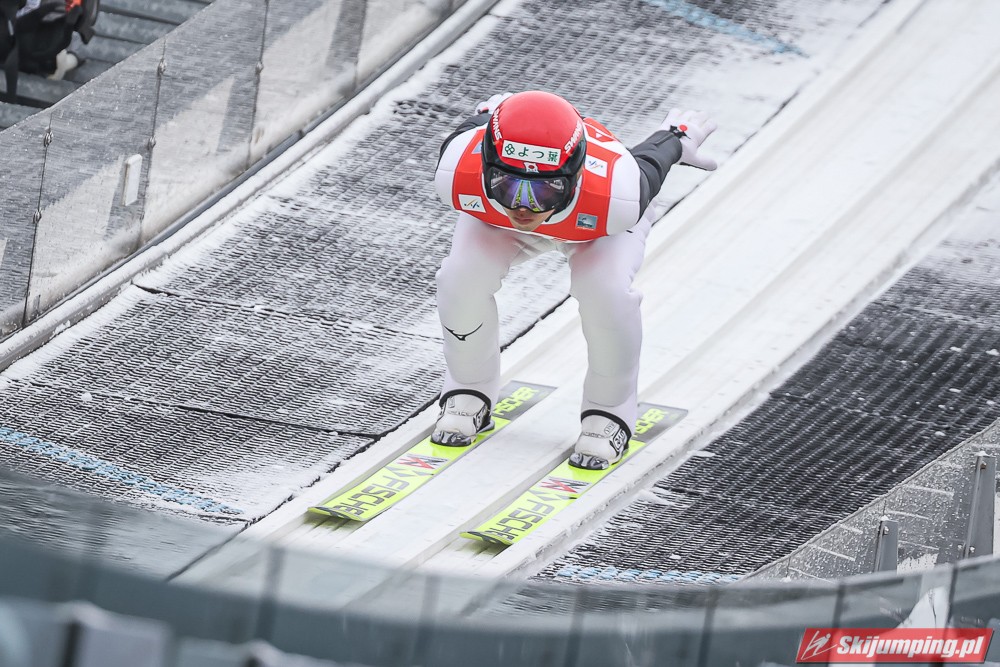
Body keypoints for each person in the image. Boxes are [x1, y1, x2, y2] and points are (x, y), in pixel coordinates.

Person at [431, 90, 718, 470]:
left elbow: (651, 159)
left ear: (576, 176)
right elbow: (476, 127)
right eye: (507, 185)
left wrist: (674, 139)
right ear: (485, 167)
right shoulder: (457, 165)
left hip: (597, 225)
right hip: (505, 219)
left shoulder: (618, 193)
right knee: (460, 279)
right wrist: (494, 115)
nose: (524, 208)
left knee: (606, 294)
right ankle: (467, 388)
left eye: (545, 190)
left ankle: (609, 410)